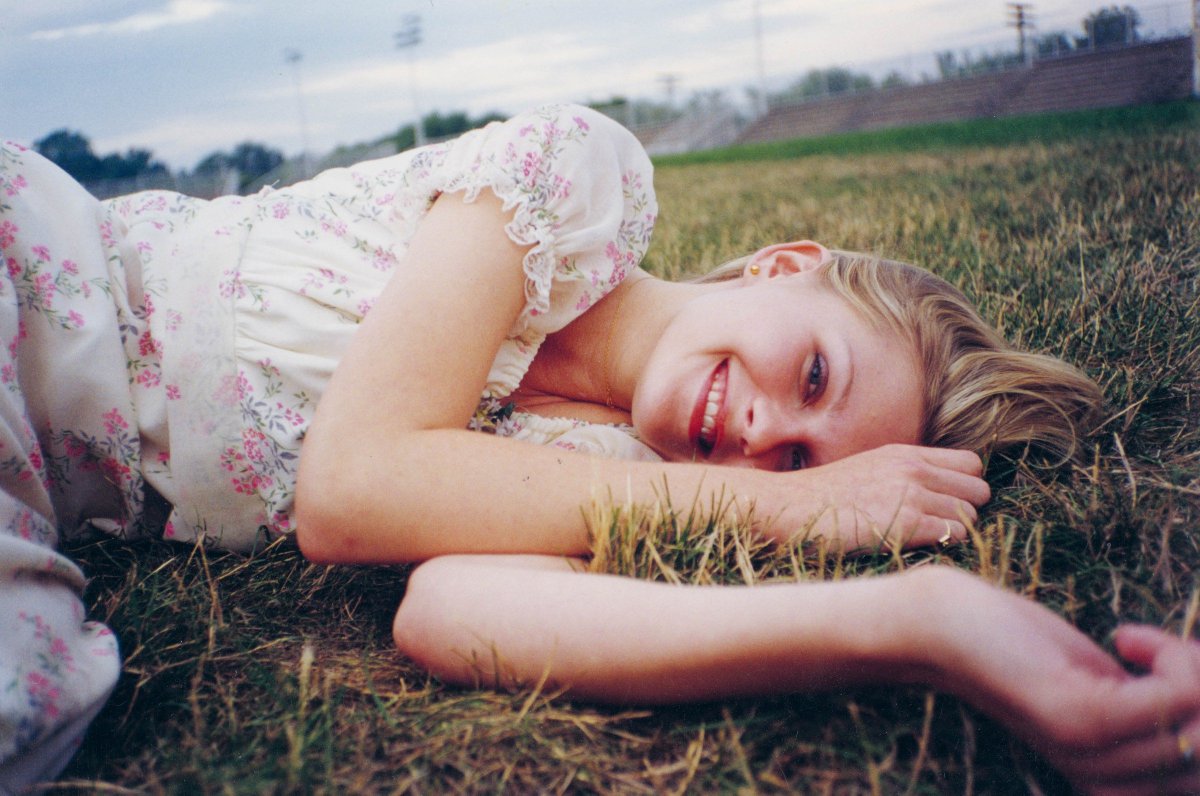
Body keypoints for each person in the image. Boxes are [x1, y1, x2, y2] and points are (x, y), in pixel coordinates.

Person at [0, 104, 1195, 793]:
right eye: (816, 373)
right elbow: (350, 492)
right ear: (789, 263)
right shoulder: (569, 187)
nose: (764, 431)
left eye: (800, 466)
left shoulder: (630, 477)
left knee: (35, 709)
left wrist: (926, 621)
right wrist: (783, 515)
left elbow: (451, 614)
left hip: (33, 482)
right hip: (32, 287)